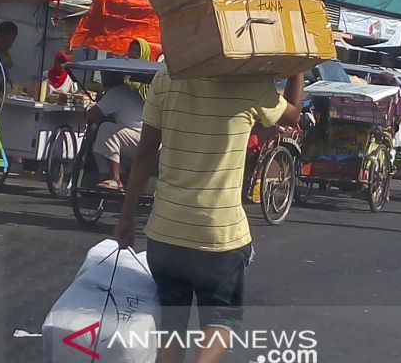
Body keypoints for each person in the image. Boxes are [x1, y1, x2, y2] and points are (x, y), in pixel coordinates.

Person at [114, 69, 304, 363]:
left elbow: (144, 155)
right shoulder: (249, 81)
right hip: (219, 237)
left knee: (171, 330)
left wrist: (126, 217)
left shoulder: (166, 76)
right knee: (221, 321)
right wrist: (298, 70)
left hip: (166, 232)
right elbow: (292, 116)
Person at [84, 70, 144, 191]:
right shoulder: (128, 91)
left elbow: (92, 115)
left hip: (141, 141)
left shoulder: (115, 93)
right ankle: (120, 181)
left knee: (106, 129)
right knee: (99, 145)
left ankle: (115, 179)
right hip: (143, 140)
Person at [371, 70, 401, 150]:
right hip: (379, 125)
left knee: (389, 152)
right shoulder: (383, 92)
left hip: (390, 129)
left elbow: (400, 114)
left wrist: (393, 128)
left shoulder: (396, 93)